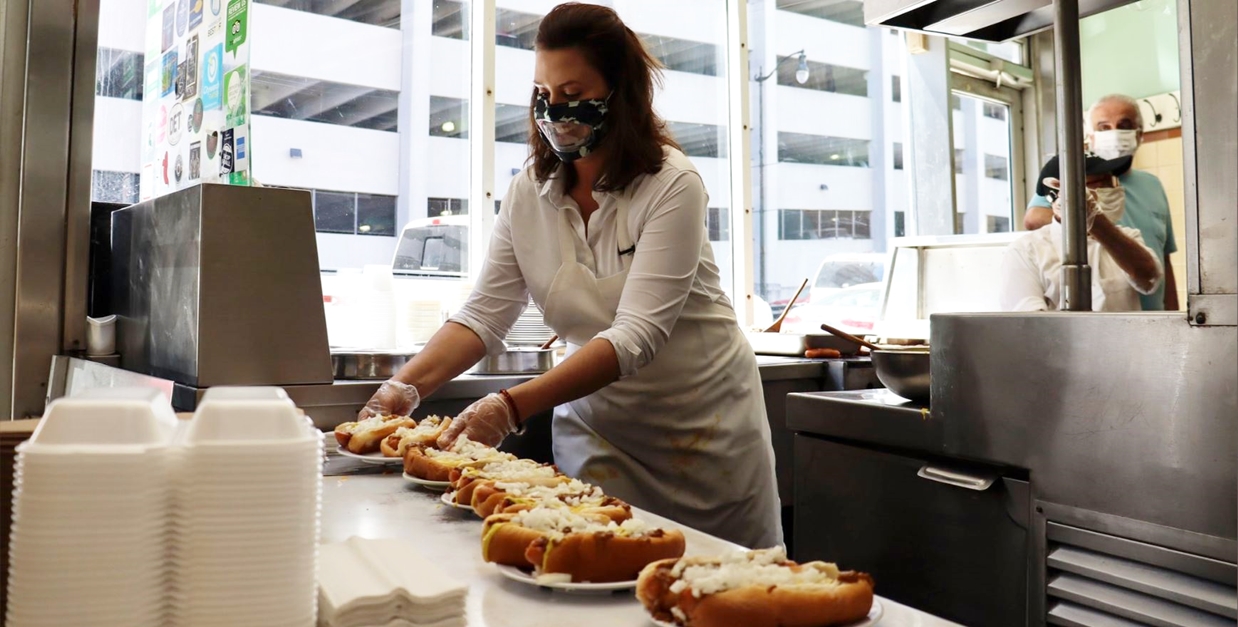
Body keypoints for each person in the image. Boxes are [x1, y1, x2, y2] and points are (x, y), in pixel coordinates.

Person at [358, 3, 781, 549]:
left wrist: (509, 406)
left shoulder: (672, 185)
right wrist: (404, 387)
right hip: (599, 431)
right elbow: (484, 315)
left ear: (620, 92)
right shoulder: (527, 193)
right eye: (544, 92)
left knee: (719, 586)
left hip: (704, 432)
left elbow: (636, 336)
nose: (555, 108)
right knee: (589, 570)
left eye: (574, 92)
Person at [1023, 94, 1178, 311]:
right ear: (1091, 137)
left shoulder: (1153, 185)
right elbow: (1033, 219)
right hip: (1107, 312)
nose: (1114, 132)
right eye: (1104, 127)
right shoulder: (1073, 179)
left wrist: (1174, 315)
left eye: (1124, 125)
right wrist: (1085, 214)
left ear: (1139, 134)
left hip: (1154, 313)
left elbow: (1164, 258)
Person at [1001, 153, 1163, 312]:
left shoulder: (1127, 237)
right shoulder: (1026, 251)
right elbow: (1028, 325)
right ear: (1060, 194)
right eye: (1101, 182)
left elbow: (1149, 279)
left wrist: (1095, 222)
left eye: (1112, 181)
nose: (1112, 189)